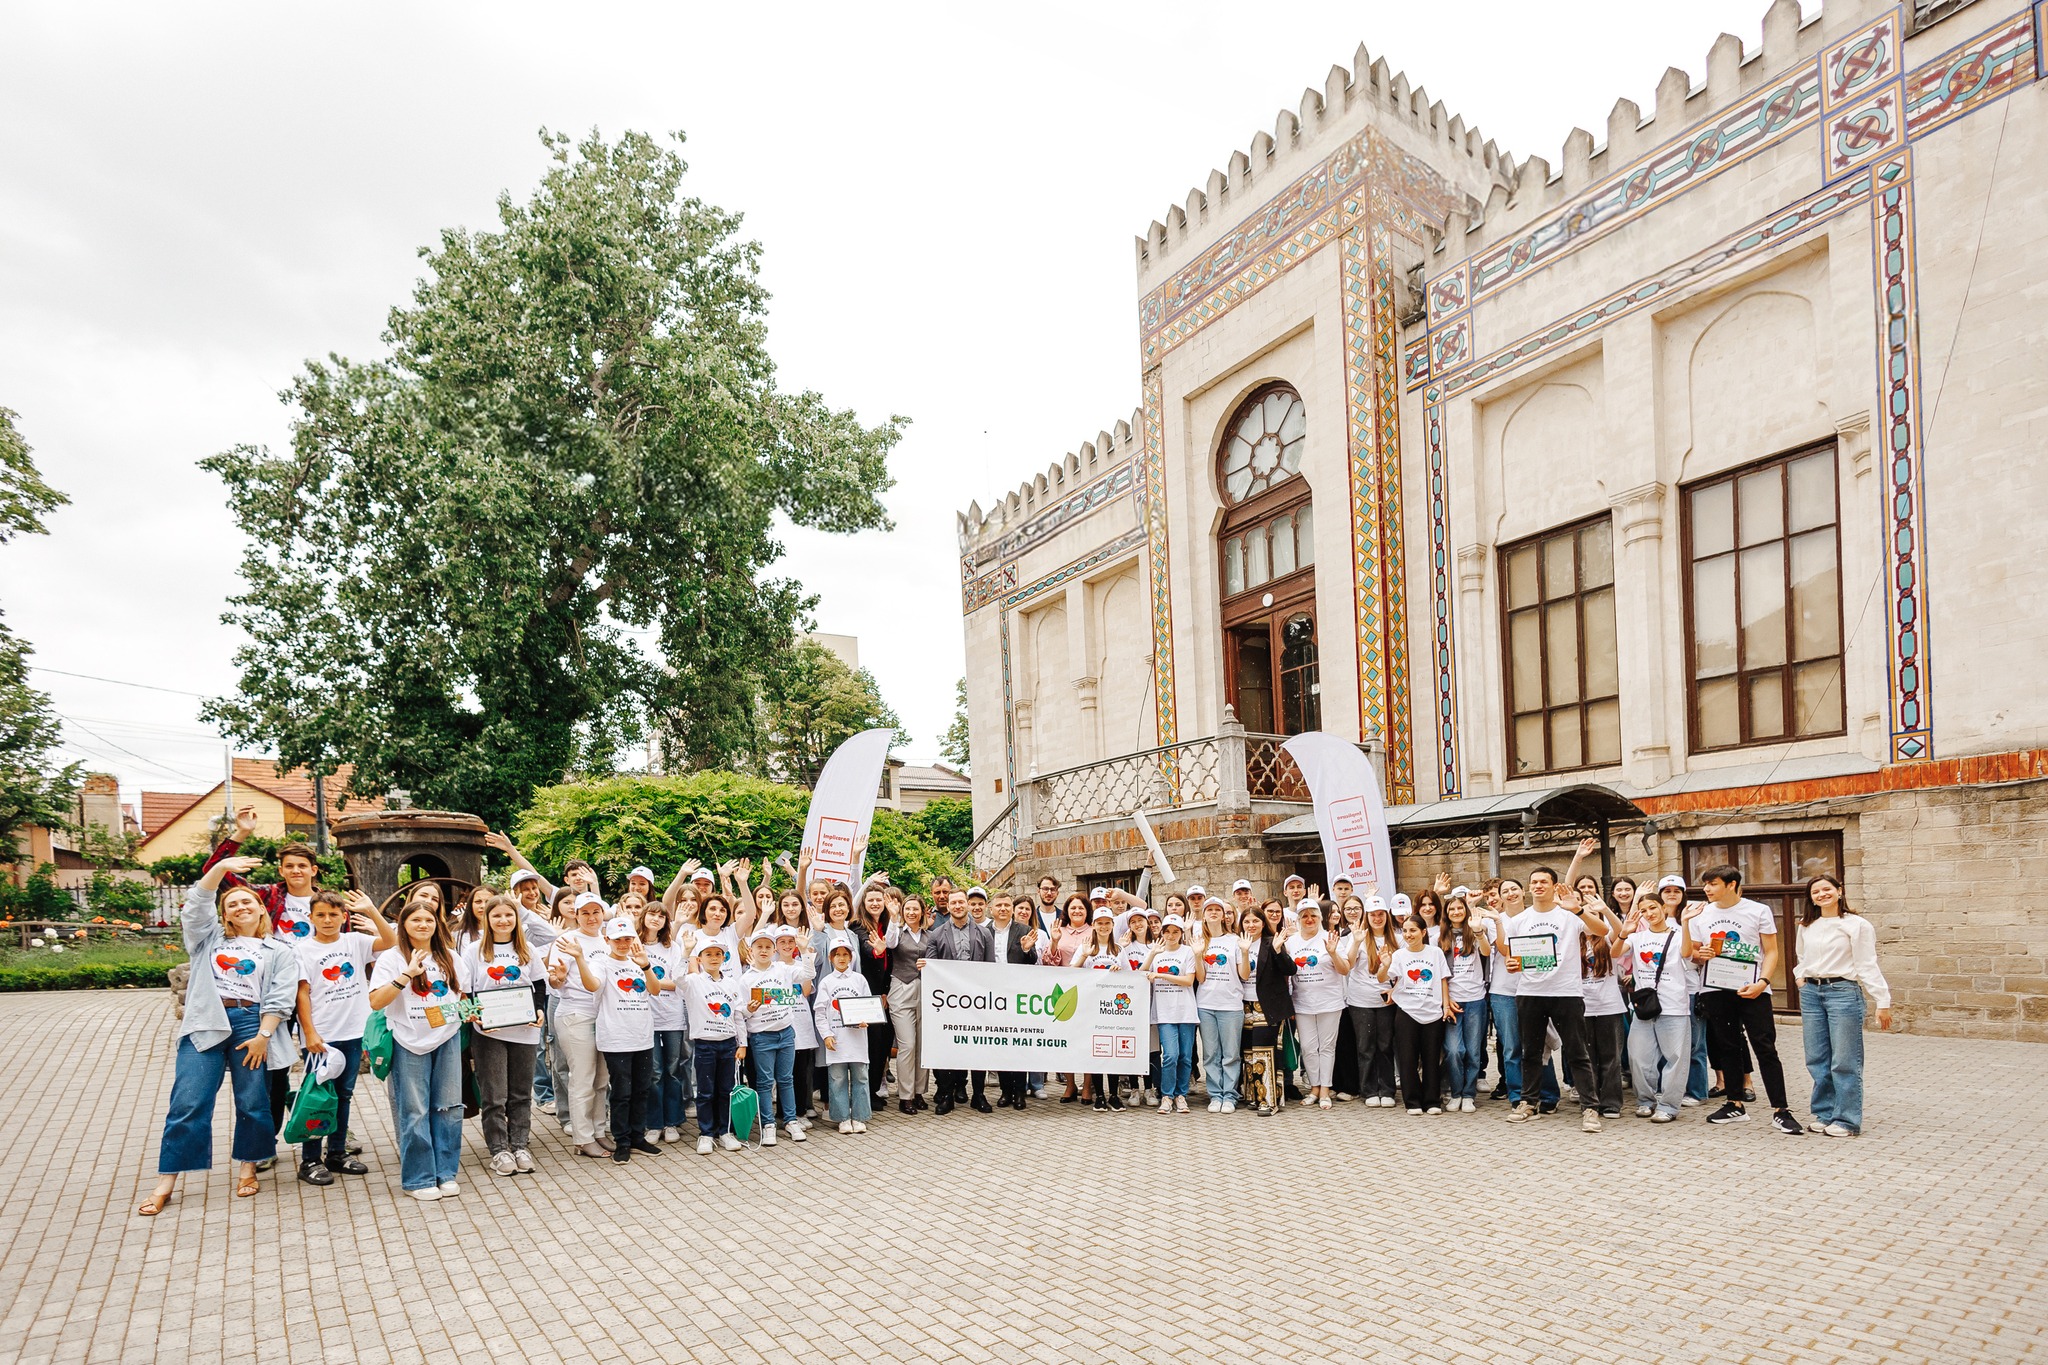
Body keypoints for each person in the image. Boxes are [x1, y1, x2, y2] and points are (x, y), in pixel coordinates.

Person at [137, 855, 301, 1216]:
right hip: (207, 1022)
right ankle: (167, 1179)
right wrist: (221, 867)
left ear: (261, 910)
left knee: (252, 1101)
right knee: (188, 1102)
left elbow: (281, 996)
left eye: (247, 901)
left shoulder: (280, 950)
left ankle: (249, 1165)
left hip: (251, 1023)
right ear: (224, 914)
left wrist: (264, 1035)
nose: (240, 906)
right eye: (232, 903)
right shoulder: (207, 940)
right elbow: (196, 905)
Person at [1684, 863, 1803, 1136]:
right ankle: (1734, 1104)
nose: (1706, 889)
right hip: (1714, 988)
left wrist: (1763, 982)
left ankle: (1781, 1110)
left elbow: (1771, 951)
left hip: (1753, 989)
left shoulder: (1757, 910)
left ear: (1732, 885)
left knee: (1765, 1047)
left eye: (1712, 884)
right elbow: (1694, 952)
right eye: (1705, 884)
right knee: (1728, 1047)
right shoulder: (1702, 913)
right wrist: (1700, 954)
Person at [291, 889, 394, 1184]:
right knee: (317, 1095)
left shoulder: (354, 942)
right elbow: (302, 993)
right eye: (320, 915)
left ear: (343, 917)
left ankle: (336, 1151)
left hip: (352, 1032)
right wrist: (308, 1032)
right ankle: (310, 1158)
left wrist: (372, 910)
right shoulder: (302, 950)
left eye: (333, 914)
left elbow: (391, 941)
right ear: (310, 917)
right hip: (322, 1035)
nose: (327, 920)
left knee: (344, 1095)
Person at [369, 893, 467, 1199]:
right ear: (404, 924)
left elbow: (461, 996)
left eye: (429, 919)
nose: (423, 924)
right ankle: (418, 1179)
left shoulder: (449, 956)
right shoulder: (391, 958)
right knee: (414, 1110)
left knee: (449, 1107)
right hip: (407, 1040)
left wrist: (468, 1013)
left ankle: (446, 1172)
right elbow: (376, 1001)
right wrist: (406, 975)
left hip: (446, 1037)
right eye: (416, 920)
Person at [1497, 867, 1608, 1132]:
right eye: (1533, 882)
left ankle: (1590, 1109)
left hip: (1566, 992)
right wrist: (1513, 964)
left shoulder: (1569, 915)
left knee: (1577, 1053)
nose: (1537, 886)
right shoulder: (1520, 919)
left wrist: (1579, 910)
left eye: (1543, 882)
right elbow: (1511, 954)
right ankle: (1528, 1103)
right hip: (1529, 992)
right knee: (1531, 1053)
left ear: (1554, 885)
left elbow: (1602, 930)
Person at [1795, 875, 1891, 1137]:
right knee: (1817, 1058)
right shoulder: (1806, 925)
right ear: (1810, 897)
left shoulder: (1856, 925)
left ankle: (1847, 1120)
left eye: (1827, 889)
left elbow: (1866, 963)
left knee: (1845, 1061)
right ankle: (1824, 1114)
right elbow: (1801, 956)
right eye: (1816, 891)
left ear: (1840, 891)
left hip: (1843, 993)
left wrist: (1882, 1001)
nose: (1822, 894)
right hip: (1812, 994)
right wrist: (1800, 977)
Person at [463, 893, 544, 1175]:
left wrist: (539, 1010)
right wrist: (475, 1014)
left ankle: (520, 1144)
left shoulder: (528, 949)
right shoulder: (473, 951)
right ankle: (499, 1150)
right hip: (490, 1032)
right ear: (486, 918)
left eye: (508, 915)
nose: (503, 920)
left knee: (521, 1093)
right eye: (496, 915)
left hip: (524, 1031)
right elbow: (465, 991)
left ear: (516, 918)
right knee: (494, 1095)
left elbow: (539, 986)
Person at [583, 916, 667, 1164]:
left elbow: (655, 990)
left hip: (642, 1036)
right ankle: (622, 1141)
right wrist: (579, 959)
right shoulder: (600, 962)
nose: (623, 943)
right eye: (617, 939)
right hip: (616, 1037)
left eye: (627, 939)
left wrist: (645, 966)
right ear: (607, 939)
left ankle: (637, 1136)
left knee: (642, 1089)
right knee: (622, 1092)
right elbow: (592, 984)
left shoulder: (637, 962)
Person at [547, 893, 613, 1157]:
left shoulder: (608, 940)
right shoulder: (565, 940)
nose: (591, 917)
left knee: (601, 1079)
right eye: (585, 913)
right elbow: (554, 982)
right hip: (576, 1015)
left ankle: (598, 1131)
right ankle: (582, 1138)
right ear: (575, 914)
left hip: (605, 1017)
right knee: (582, 1078)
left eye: (595, 911)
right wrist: (559, 979)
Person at [922, 888, 995, 1114]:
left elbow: (991, 968)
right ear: (949, 906)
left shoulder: (984, 934)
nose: (957, 906)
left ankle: (979, 1095)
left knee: (978, 1048)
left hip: (977, 1001)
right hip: (948, 1002)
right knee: (947, 1048)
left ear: (967, 904)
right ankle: (946, 1095)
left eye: (961, 902)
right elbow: (933, 968)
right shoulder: (937, 934)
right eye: (953, 903)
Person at [1622, 884, 1691, 1123]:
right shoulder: (1637, 937)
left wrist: (1688, 923)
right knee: (1639, 1057)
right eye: (1644, 910)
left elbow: (1687, 952)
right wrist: (1625, 931)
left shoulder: (1679, 933)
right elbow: (1614, 953)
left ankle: (1669, 1106)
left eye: (1653, 907)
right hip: (1644, 1007)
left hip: (1673, 1005)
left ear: (1664, 907)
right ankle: (1645, 1101)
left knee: (1675, 1058)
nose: (1649, 913)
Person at [741, 930, 812, 1145]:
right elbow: (740, 1011)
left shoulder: (783, 969)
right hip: (761, 1037)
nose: (763, 950)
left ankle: (790, 1120)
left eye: (767, 947)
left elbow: (808, 975)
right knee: (764, 1082)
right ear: (751, 950)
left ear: (774, 950)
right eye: (758, 947)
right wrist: (748, 1009)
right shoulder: (746, 979)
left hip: (786, 1033)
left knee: (786, 1079)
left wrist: (805, 949)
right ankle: (768, 1124)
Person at [1381, 916, 1453, 1115]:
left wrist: (1445, 1006)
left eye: (1413, 930)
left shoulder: (1435, 952)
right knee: (1407, 1058)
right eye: (1405, 931)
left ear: (1423, 932)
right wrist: (1386, 963)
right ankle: (1412, 1101)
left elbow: (1442, 980)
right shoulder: (1398, 955)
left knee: (1431, 1058)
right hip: (1407, 1011)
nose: (1408, 935)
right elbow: (1382, 977)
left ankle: (1432, 1101)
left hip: (1432, 1012)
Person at [684, 940, 748, 1153]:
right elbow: (676, 978)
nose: (713, 957)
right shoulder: (693, 981)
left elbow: (738, 1015)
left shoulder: (731, 983)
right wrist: (685, 952)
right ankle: (706, 1133)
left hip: (728, 1044)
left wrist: (743, 1043)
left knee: (725, 1090)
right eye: (708, 953)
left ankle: (725, 1131)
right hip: (705, 1045)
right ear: (699, 959)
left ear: (724, 958)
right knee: (705, 1091)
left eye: (718, 954)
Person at [641, 900, 691, 1144]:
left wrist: (651, 983)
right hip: (646, 1018)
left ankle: (672, 1122)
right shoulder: (635, 945)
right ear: (643, 917)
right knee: (654, 1072)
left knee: (673, 1070)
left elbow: (679, 983)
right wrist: (659, 984)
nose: (655, 919)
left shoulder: (672, 947)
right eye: (651, 914)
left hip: (671, 1017)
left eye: (661, 916)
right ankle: (654, 1123)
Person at [1192, 897, 1246, 1113]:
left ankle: (1230, 1095)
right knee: (1211, 1053)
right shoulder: (1200, 941)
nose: (1214, 913)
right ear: (1203, 915)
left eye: (1218, 909)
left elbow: (1243, 975)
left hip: (1231, 1005)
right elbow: (1201, 978)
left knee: (1231, 1054)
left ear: (1225, 915)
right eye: (1209, 909)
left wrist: (1243, 951)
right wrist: (1197, 956)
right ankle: (1215, 1094)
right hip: (1206, 1004)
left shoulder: (1234, 940)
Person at [814, 940, 875, 1133]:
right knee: (837, 1079)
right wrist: (826, 1035)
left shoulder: (859, 980)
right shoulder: (826, 982)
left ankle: (859, 1117)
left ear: (851, 957)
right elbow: (820, 1012)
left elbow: (869, 1006)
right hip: (836, 1040)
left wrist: (867, 1020)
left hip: (857, 1039)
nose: (841, 958)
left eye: (845, 954)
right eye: (837, 954)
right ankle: (841, 1118)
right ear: (831, 958)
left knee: (861, 1078)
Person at [1344, 896, 1400, 1106]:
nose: (1377, 918)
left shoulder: (1398, 938)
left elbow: (1402, 971)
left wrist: (1395, 990)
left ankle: (1387, 1090)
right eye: (1373, 915)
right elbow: (1348, 964)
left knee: (1385, 1046)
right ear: (1367, 916)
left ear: (1386, 915)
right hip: (1361, 1000)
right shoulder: (1358, 936)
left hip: (1386, 1000)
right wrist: (1356, 941)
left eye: (1380, 914)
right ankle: (1369, 1090)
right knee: (1365, 1046)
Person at [1242, 902, 1296, 1115]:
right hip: (1245, 1005)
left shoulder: (1271, 942)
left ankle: (1269, 1101)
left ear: (1263, 923)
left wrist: (1277, 950)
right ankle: (1255, 1096)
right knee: (1248, 1054)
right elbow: (1242, 975)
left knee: (1264, 1052)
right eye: (1246, 921)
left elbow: (1290, 969)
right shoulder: (1240, 943)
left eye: (1255, 921)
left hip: (1268, 1006)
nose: (1251, 925)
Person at [1578, 898, 1629, 1120]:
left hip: (1609, 1006)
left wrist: (1605, 910)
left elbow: (1621, 931)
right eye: (1585, 916)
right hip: (1582, 1008)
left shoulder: (1607, 940)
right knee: (1587, 1057)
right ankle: (1590, 1101)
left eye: (1594, 916)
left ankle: (1611, 1103)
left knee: (1611, 1057)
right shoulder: (1573, 941)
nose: (1590, 920)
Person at [1439, 894, 1491, 1111]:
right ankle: (1456, 1091)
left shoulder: (1476, 932)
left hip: (1475, 999)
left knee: (1472, 1050)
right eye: (1452, 909)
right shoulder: (1442, 938)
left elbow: (1487, 952)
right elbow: (1439, 973)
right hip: (1452, 1000)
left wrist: (1479, 933)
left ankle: (1468, 1094)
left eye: (1460, 908)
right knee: (1453, 1050)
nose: (1456, 912)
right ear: (1447, 913)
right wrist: (1447, 1000)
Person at [881, 894, 931, 1114]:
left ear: (922, 912)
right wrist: (892, 917)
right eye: (907, 909)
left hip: (926, 990)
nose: (911, 913)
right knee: (907, 1045)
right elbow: (889, 943)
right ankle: (905, 1096)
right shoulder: (897, 932)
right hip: (901, 988)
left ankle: (919, 1092)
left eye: (915, 909)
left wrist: (930, 963)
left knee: (922, 1045)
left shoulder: (931, 935)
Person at [1145, 915, 1198, 1113]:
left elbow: (1188, 980)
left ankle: (1180, 1095)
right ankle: (1167, 1095)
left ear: (1181, 933)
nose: (1171, 935)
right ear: (1162, 932)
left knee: (1185, 1057)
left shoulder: (1188, 952)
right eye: (1167, 931)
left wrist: (1160, 975)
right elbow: (1142, 973)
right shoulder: (1156, 953)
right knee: (1170, 1056)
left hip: (1185, 1012)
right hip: (1164, 1013)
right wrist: (1151, 955)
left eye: (1176, 931)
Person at [994, 897, 1041, 1109]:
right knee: (1001, 1046)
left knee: (1019, 1044)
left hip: (1019, 996)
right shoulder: (986, 931)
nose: (1003, 908)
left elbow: (1032, 960)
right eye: (999, 905)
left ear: (1011, 909)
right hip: (994, 998)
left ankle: (1020, 1092)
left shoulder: (1023, 929)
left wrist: (1026, 949)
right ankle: (1006, 1091)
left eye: (1007, 905)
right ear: (992, 909)